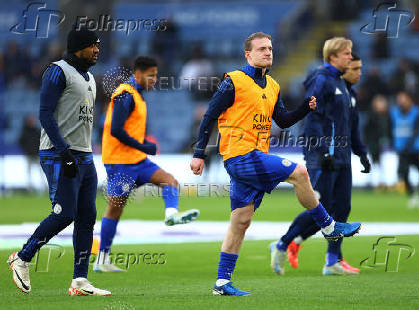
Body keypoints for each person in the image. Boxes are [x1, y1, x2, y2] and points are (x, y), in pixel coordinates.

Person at [190, 32, 361, 296]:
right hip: (240, 155)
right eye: (261, 49)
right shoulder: (233, 81)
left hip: (254, 156)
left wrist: (305, 108)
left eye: (270, 48)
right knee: (299, 172)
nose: (267, 52)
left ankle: (222, 283)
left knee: (241, 221)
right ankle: (329, 226)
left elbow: (282, 120)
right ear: (248, 54)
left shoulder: (272, 86)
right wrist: (199, 153)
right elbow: (210, 115)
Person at [7, 26, 111, 295]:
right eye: (93, 45)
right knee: (65, 214)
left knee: (87, 216)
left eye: (98, 45)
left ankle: (79, 281)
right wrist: (64, 151)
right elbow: (45, 114)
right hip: (58, 153)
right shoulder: (58, 71)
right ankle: (22, 258)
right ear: (78, 47)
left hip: (84, 155)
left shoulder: (89, 77)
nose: (97, 49)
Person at [271, 47, 371, 276]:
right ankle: (284, 243)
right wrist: (322, 150)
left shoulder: (349, 94)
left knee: (342, 208)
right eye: (354, 67)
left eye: (360, 68)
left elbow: (352, 128)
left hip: (342, 155)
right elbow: (314, 118)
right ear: (340, 63)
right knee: (321, 206)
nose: (358, 73)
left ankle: (332, 259)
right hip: (323, 154)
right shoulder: (325, 84)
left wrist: (362, 152)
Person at [95, 56, 200, 272]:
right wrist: (144, 146)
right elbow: (115, 130)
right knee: (114, 210)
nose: (154, 79)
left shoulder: (138, 95)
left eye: (156, 75)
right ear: (138, 74)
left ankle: (171, 215)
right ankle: (101, 260)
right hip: (120, 163)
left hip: (137, 161)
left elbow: (128, 129)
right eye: (151, 75)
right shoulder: (125, 94)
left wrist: (142, 148)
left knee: (170, 181)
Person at [390, 91, 419, 209]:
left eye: (403, 99)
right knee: (404, 174)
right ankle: (412, 195)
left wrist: (408, 145)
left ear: (409, 100)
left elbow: (417, 131)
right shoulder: (394, 113)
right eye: (399, 99)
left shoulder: (416, 112)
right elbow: (391, 129)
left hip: (415, 149)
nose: (401, 101)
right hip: (401, 149)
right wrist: (394, 145)